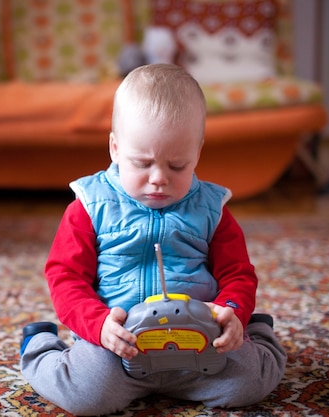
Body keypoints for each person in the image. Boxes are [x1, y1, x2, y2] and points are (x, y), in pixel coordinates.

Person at [20, 63, 286, 416]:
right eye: (142, 163)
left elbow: (239, 274)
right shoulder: (89, 206)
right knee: (87, 395)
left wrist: (233, 312)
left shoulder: (213, 210)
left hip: (199, 342)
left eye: (177, 165)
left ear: (198, 153)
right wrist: (98, 326)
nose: (159, 178)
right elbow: (65, 278)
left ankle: (257, 331)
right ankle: (38, 344)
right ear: (115, 148)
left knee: (250, 383)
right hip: (119, 345)